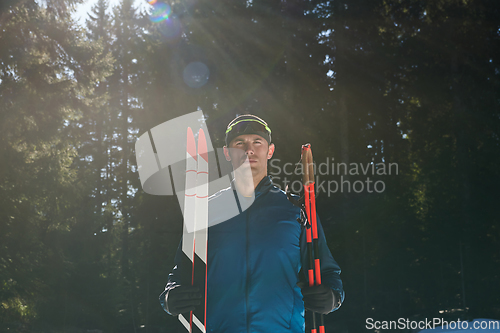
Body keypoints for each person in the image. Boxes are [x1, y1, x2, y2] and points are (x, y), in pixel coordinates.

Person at [159, 114, 344, 332]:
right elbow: (180, 273)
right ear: (227, 153)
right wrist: (170, 298)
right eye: (240, 143)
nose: (249, 150)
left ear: (270, 150)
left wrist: (333, 297)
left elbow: (328, 271)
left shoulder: (296, 209)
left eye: (257, 142)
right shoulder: (206, 211)